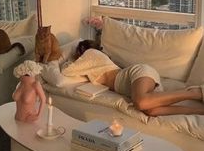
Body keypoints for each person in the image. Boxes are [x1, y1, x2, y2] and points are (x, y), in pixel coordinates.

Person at [62, 41, 204, 116]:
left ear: (82, 50)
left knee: (141, 103)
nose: (76, 57)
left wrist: (69, 58)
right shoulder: (91, 66)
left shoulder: (91, 53)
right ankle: (199, 112)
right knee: (151, 111)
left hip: (136, 73)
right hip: (134, 86)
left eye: (77, 53)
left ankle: (195, 92)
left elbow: (66, 70)